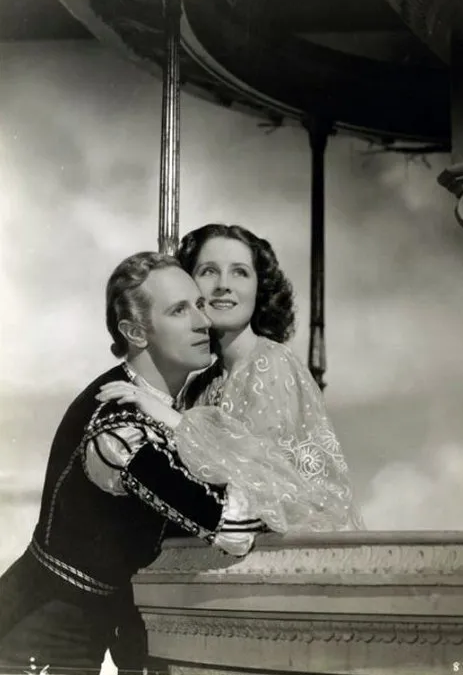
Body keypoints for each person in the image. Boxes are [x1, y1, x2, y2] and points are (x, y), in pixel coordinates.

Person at [0, 252, 264, 675]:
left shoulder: (170, 408)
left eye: (199, 304)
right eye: (179, 310)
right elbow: (235, 528)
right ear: (136, 332)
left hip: (89, 636)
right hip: (35, 642)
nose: (203, 322)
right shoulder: (119, 429)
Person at [99, 225, 364, 532]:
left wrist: (175, 421)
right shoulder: (202, 382)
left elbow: (270, 488)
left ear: (259, 288)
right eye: (209, 271)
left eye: (240, 272)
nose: (223, 285)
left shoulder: (271, 363)